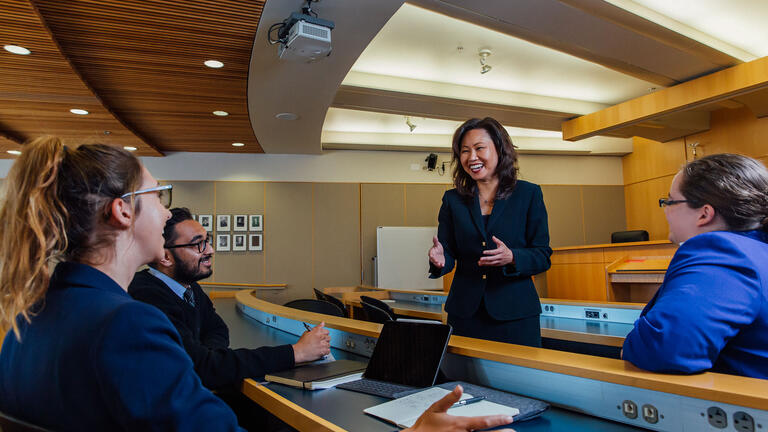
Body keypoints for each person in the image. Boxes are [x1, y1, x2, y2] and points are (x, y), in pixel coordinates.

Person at [0, 136, 515, 432]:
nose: (165, 208)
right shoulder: (128, 326)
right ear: (122, 212)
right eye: (158, 194)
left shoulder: (27, 314)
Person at [128, 207, 329, 430]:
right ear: (165, 256)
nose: (211, 250)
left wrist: (209, 356)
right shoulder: (147, 296)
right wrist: (296, 352)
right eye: (198, 244)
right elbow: (203, 369)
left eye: (208, 240)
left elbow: (216, 329)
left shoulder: (189, 287)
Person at [622, 153, 768, 379]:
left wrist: (632, 347)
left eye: (670, 201)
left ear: (704, 214)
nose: (666, 210)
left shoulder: (721, 251)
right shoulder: (757, 247)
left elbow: (666, 349)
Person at [428, 117, 552, 347]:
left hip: (515, 315)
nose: (471, 157)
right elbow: (448, 253)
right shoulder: (452, 200)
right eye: (464, 151)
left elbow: (542, 255)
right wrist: (440, 260)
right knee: (463, 379)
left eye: (479, 148)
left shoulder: (529, 194)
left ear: (499, 148)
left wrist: (513, 257)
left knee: (517, 380)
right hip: (465, 314)